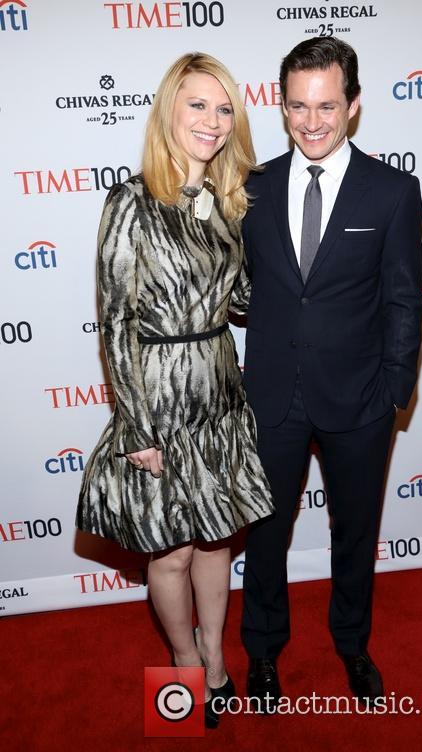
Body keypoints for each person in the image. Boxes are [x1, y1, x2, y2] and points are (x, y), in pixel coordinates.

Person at [76, 51, 274, 728]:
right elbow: (115, 320)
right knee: (172, 547)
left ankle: (217, 661)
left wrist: (258, 232)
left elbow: (243, 299)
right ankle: (184, 662)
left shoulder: (228, 201)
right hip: (157, 395)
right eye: (198, 104)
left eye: (224, 110)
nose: (212, 121)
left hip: (218, 383)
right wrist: (135, 428)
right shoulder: (131, 200)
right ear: (169, 109)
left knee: (216, 540)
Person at [240, 36, 422, 709]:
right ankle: (262, 652)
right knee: (264, 535)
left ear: (353, 106)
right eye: (297, 106)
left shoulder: (393, 191)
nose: (311, 121)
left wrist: (394, 390)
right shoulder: (251, 188)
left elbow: (405, 298)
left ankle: (352, 643)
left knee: (355, 532)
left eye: (326, 106)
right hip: (272, 400)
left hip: (360, 402)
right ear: (281, 105)